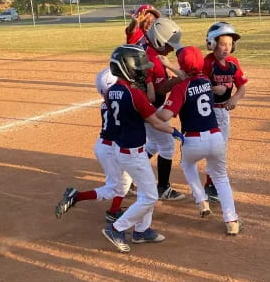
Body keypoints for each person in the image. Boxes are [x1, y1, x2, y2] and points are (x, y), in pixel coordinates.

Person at [100, 44, 184, 253]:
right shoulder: (135, 94)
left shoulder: (112, 92)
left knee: (146, 192)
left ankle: (141, 230)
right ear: (128, 68)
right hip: (133, 153)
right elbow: (155, 122)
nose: (144, 70)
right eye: (139, 67)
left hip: (123, 150)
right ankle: (116, 228)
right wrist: (173, 131)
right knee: (150, 196)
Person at [157, 46, 241, 235]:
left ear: (181, 65)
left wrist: (148, 112)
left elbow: (165, 116)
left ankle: (201, 200)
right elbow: (191, 78)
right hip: (215, 137)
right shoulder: (205, 80)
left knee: (188, 166)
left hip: (193, 140)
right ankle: (232, 221)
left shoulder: (181, 88)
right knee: (221, 178)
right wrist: (171, 67)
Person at [54, 68, 132, 223]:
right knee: (114, 188)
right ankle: (77, 196)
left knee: (125, 181)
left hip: (105, 146)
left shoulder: (106, 103)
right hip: (110, 149)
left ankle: (114, 211)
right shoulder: (120, 101)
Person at [200, 22, 248, 202]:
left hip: (223, 112)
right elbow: (197, 86)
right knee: (213, 149)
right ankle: (210, 185)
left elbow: (242, 88)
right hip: (207, 112)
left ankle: (212, 183)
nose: (227, 48)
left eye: (230, 44)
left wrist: (233, 99)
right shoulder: (207, 63)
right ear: (212, 43)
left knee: (221, 149)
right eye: (222, 44)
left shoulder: (233, 63)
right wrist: (212, 89)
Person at [143, 17, 186, 201]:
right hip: (151, 109)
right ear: (160, 41)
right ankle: (163, 188)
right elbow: (160, 88)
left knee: (153, 144)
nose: (171, 49)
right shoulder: (153, 59)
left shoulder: (149, 51)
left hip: (148, 106)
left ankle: (126, 176)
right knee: (167, 146)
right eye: (169, 45)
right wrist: (178, 79)